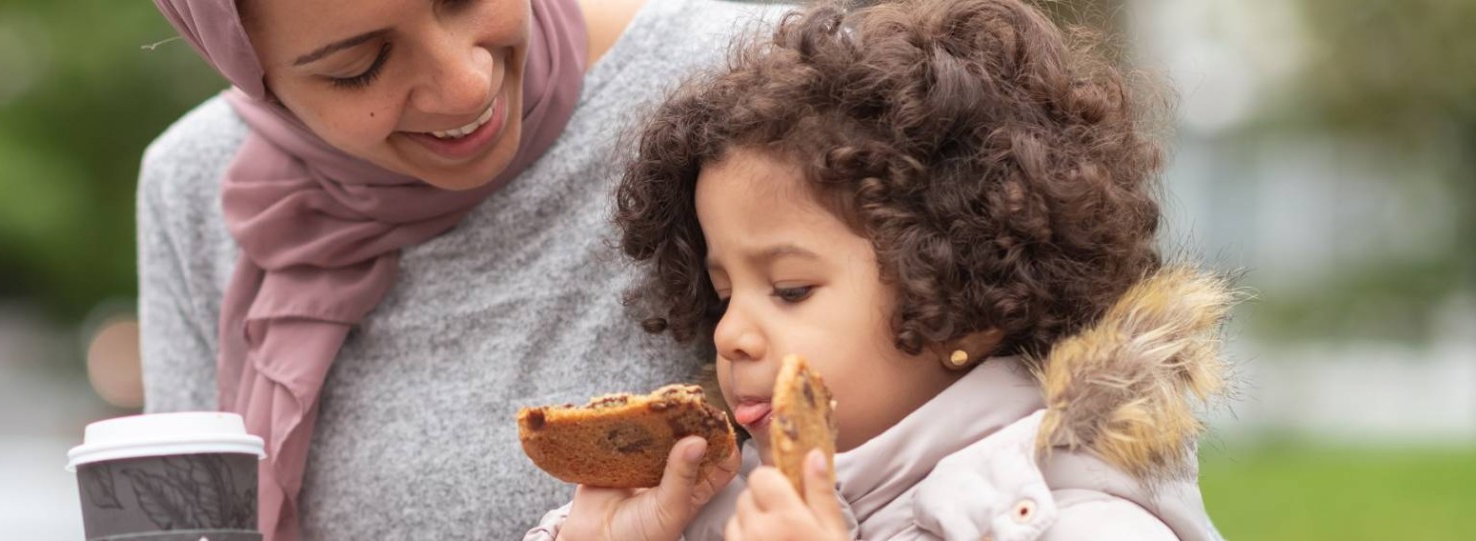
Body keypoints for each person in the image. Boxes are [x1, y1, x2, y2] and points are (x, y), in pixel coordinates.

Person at [524, 0, 1235, 539]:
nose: (733, 333)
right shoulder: (720, 509)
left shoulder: (1079, 519)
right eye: (722, 293)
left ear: (967, 297)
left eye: (791, 289)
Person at [138, 0, 786, 538]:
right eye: (358, 67)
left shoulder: (759, 79)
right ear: (248, 69)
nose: (466, 85)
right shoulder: (194, 186)